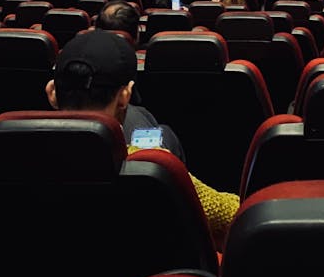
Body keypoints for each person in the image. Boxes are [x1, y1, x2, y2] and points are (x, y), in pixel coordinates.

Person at [46, 30, 239, 250]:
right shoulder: (154, 165)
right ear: (125, 96)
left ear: (52, 92)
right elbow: (236, 215)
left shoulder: (8, 158)